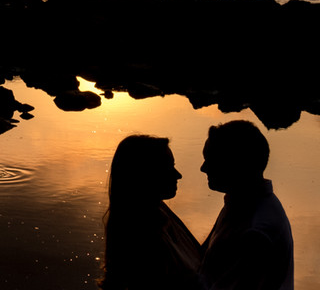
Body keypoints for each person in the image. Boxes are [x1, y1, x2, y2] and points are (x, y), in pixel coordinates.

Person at [200, 120, 294, 290]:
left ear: (235, 164)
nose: (203, 168)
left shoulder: (255, 231)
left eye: (211, 160)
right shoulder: (239, 201)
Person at [100, 134, 201, 290]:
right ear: (145, 174)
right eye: (168, 167)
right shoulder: (144, 241)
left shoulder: (159, 213)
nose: (178, 175)